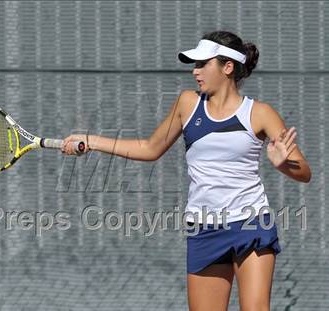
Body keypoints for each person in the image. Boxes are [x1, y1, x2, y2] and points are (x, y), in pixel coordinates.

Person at [61, 30, 311, 310]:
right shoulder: (187, 104)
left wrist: (283, 164)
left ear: (227, 67)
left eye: (203, 64)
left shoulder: (261, 113)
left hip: (251, 223)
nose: (195, 72)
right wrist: (91, 140)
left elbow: (304, 172)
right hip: (204, 228)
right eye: (195, 65)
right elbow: (149, 148)